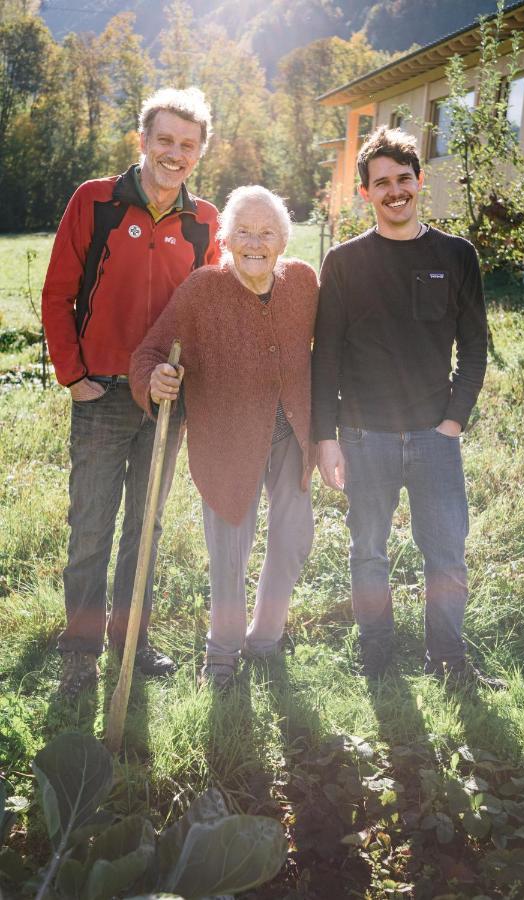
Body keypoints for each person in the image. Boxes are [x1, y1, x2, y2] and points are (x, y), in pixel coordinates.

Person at [42, 87, 220, 698]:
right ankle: (81, 654)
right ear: (142, 140)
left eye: (187, 146)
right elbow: (56, 293)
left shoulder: (206, 221)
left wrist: (188, 378)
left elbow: (205, 313)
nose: (175, 154)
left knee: (146, 530)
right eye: (165, 140)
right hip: (103, 395)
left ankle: (132, 642)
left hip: (166, 399)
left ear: (199, 154)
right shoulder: (94, 201)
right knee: (91, 529)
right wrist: (74, 377)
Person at [312, 126, 502, 688]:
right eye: (381, 183)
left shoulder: (456, 255)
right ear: (365, 194)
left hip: (432, 435)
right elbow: (325, 357)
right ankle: (378, 656)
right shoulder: (344, 263)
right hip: (363, 435)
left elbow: (474, 347)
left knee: (445, 553)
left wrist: (453, 421)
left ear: (419, 182)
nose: (394, 191)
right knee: (368, 550)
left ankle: (447, 659)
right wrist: (327, 436)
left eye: (403, 179)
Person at [130, 185, 318, 690]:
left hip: (290, 434)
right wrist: (155, 380)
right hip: (226, 442)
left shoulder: (303, 281)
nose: (254, 242)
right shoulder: (201, 290)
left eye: (266, 232)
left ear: (282, 240)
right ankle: (221, 657)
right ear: (226, 238)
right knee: (229, 551)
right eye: (244, 232)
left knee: (295, 538)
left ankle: (264, 638)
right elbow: (149, 355)